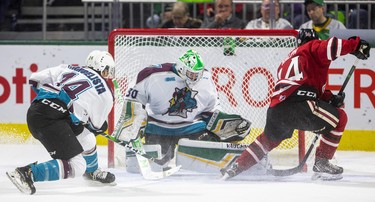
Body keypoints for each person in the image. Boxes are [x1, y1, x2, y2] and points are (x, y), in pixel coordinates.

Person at [221, 29, 370, 181]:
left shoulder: (288, 60)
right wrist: (355, 45)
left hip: (277, 109)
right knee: (340, 118)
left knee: (267, 141)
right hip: (300, 106)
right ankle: (322, 162)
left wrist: (331, 99)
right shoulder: (313, 47)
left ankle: (236, 167)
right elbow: (331, 45)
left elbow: (305, 87)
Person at [115, 49, 251, 171]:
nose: (195, 78)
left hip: (192, 128)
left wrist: (221, 122)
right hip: (159, 128)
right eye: (191, 74)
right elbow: (134, 99)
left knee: (208, 162)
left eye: (197, 74)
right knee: (156, 164)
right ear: (181, 68)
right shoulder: (152, 75)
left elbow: (212, 107)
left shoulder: (205, 78)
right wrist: (132, 121)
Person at [6, 50, 116, 195]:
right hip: (51, 120)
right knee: (77, 165)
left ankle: (92, 172)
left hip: (37, 111)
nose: (108, 74)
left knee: (87, 138)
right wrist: (93, 124)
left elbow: (35, 80)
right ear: (103, 68)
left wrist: (56, 101)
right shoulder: (106, 94)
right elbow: (96, 126)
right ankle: (27, 173)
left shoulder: (70, 67)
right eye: (108, 70)